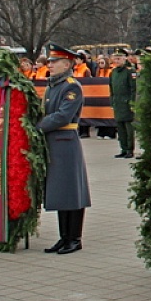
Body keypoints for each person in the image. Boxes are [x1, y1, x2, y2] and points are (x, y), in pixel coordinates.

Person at [38, 44, 90, 254]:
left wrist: (37, 126)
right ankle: (64, 236)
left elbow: (63, 116)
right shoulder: (52, 86)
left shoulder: (71, 86)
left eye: (54, 61)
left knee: (72, 191)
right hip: (53, 142)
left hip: (66, 142)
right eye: (49, 61)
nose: (50, 65)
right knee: (61, 191)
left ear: (67, 64)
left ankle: (74, 238)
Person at [109, 48, 137, 159]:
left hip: (127, 103)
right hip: (118, 103)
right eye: (115, 58)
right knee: (120, 127)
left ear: (125, 58)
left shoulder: (130, 71)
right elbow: (111, 89)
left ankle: (129, 149)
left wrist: (132, 102)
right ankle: (123, 149)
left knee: (128, 128)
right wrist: (112, 102)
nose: (117, 61)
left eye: (119, 58)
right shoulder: (113, 72)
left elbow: (133, 88)